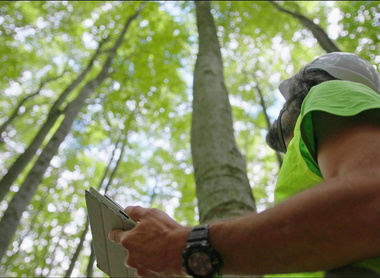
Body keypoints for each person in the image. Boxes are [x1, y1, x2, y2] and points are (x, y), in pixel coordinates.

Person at [109, 52, 380, 277]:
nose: (281, 111)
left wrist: (181, 246)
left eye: (286, 102)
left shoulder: (332, 91)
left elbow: (371, 204)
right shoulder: (312, 161)